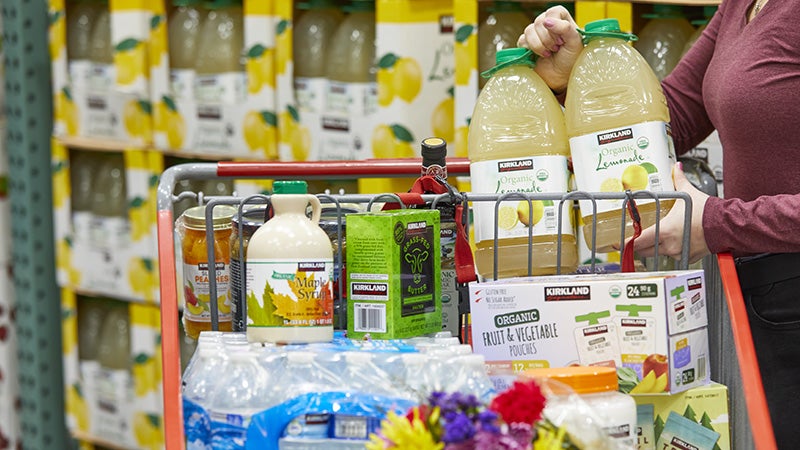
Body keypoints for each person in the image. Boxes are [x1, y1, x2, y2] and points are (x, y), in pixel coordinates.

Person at [518, 1, 800, 445]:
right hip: (763, 299)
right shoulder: (742, 5)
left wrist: (720, 221)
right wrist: (575, 77)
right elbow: (667, 119)